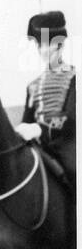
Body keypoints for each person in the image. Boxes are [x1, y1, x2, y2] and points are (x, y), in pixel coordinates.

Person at [16, 10, 76, 190]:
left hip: (66, 146)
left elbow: (71, 121)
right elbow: (26, 122)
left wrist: (39, 129)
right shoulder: (32, 86)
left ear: (59, 45)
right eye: (39, 45)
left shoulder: (74, 79)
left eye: (47, 44)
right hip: (39, 148)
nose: (42, 50)